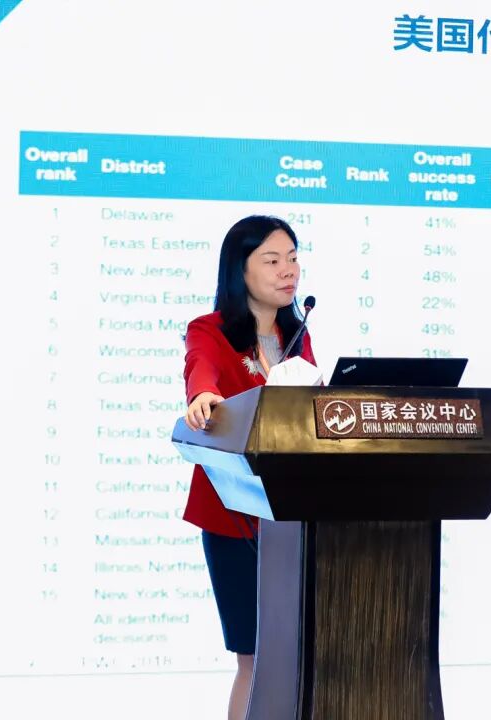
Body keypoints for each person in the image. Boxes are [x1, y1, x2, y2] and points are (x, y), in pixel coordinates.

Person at [181, 215, 315, 720]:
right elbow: (201, 370)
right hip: (236, 519)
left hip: (295, 517)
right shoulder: (210, 330)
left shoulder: (296, 334)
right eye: (273, 260)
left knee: (298, 657)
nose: (289, 271)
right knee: (255, 658)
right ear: (240, 270)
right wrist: (203, 396)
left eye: (294, 258)